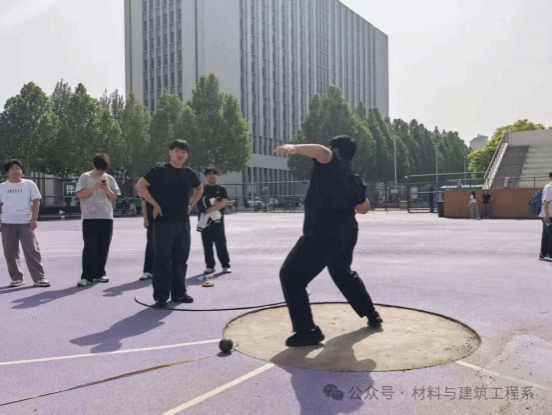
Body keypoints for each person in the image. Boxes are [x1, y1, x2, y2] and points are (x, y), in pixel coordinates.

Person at [274, 136, 382, 347]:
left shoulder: (333, 163)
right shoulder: (354, 177)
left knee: (291, 275)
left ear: (336, 150)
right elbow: (364, 208)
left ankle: (307, 330)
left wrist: (293, 148)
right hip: (347, 233)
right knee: (342, 272)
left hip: (323, 233)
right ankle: (371, 314)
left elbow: (322, 152)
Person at [135, 139, 203, 308]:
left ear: (187, 156)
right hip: (163, 222)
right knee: (162, 259)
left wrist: (192, 205)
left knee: (181, 259)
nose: (180, 155)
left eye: (184, 152)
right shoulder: (158, 171)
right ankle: (161, 296)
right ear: (170, 152)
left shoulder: (189, 173)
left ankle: (179, 293)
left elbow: (200, 188)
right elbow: (140, 186)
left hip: (183, 222)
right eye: (177, 151)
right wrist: (155, 204)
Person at [0, 160, 50, 288]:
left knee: (32, 250)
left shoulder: (29, 184)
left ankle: (39, 278)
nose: (17, 172)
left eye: (19, 169)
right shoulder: (2, 187)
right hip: (7, 223)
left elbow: (36, 202)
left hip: (26, 223)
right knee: (10, 252)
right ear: (7, 172)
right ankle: (17, 278)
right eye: (13, 169)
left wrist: (34, 219)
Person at [76, 154, 121, 287]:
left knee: (104, 246)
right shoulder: (85, 176)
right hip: (89, 216)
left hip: (106, 216)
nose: (100, 173)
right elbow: (80, 194)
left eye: (103, 170)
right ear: (93, 166)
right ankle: (86, 276)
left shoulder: (109, 178)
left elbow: (114, 197)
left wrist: (106, 188)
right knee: (90, 246)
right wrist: (94, 187)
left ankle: (100, 273)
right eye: (98, 170)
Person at [198, 167, 231, 275]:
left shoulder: (221, 189)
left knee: (221, 244)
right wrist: (214, 205)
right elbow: (198, 203)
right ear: (206, 176)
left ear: (217, 176)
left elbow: (224, 203)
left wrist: (211, 208)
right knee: (207, 245)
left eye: (214, 174)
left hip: (218, 222)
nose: (211, 176)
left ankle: (225, 265)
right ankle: (210, 266)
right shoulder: (202, 189)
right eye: (209, 174)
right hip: (205, 221)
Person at [539, 172, 552, 261]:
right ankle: (549, 255)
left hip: (548, 215)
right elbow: (546, 202)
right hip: (549, 215)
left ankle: (543, 254)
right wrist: (546, 215)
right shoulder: (549, 187)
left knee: (546, 235)